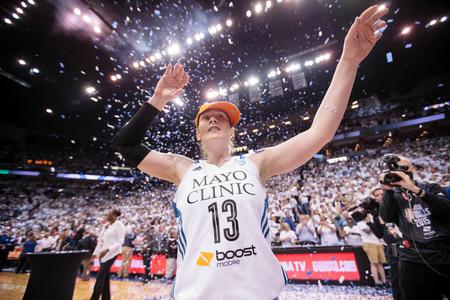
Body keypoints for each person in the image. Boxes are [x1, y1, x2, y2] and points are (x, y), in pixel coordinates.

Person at [112, 5, 388, 299]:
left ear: (232, 132)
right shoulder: (182, 168)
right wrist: (157, 100)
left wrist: (348, 60)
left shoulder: (256, 162)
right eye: (207, 117)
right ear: (198, 132)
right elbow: (125, 145)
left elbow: (320, 132)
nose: (214, 119)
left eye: (222, 117)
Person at [379, 155, 450, 300]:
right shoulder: (393, 196)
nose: (400, 173)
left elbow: (446, 209)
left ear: (412, 169)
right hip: (413, 259)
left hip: (444, 254)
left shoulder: (431, 187)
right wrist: (387, 190)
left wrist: (415, 189)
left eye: (403, 169)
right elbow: (387, 218)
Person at [90, 209, 126, 300]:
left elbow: (121, 241)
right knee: (105, 278)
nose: (106, 216)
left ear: (114, 215)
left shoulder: (119, 225)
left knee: (100, 277)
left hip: (111, 253)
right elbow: (100, 241)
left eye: (108, 214)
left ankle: (94, 298)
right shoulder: (107, 226)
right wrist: (94, 255)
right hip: (102, 254)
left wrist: (107, 250)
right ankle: (106, 298)